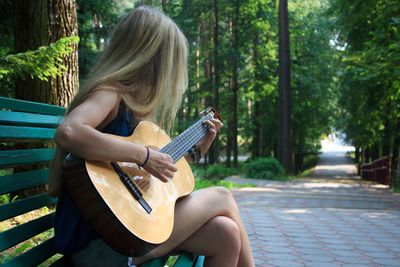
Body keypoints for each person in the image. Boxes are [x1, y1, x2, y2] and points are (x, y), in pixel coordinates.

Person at [48, 6, 254, 267]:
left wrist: (196, 151)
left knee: (226, 233)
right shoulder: (110, 93)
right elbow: (69, 131)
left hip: (124, 230)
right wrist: (143, 155)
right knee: (222, 196)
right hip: (100, 244)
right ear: (151, 59)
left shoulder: (134, 111)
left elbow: (146, 178)